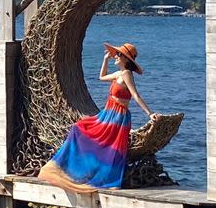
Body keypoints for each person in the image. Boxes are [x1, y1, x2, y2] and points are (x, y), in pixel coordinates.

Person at [37, 42, 159, 192]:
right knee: (79, 128)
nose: (116, 56)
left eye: (119, 54)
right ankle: (72, 170)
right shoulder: (119, 74)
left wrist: (149, 113)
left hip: (117, 117)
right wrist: (106, 59)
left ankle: (106, 177)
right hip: (108, 113)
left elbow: (135, 95)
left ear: (126, 59)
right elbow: (101, 77)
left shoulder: (127, 74)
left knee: (111, 148)